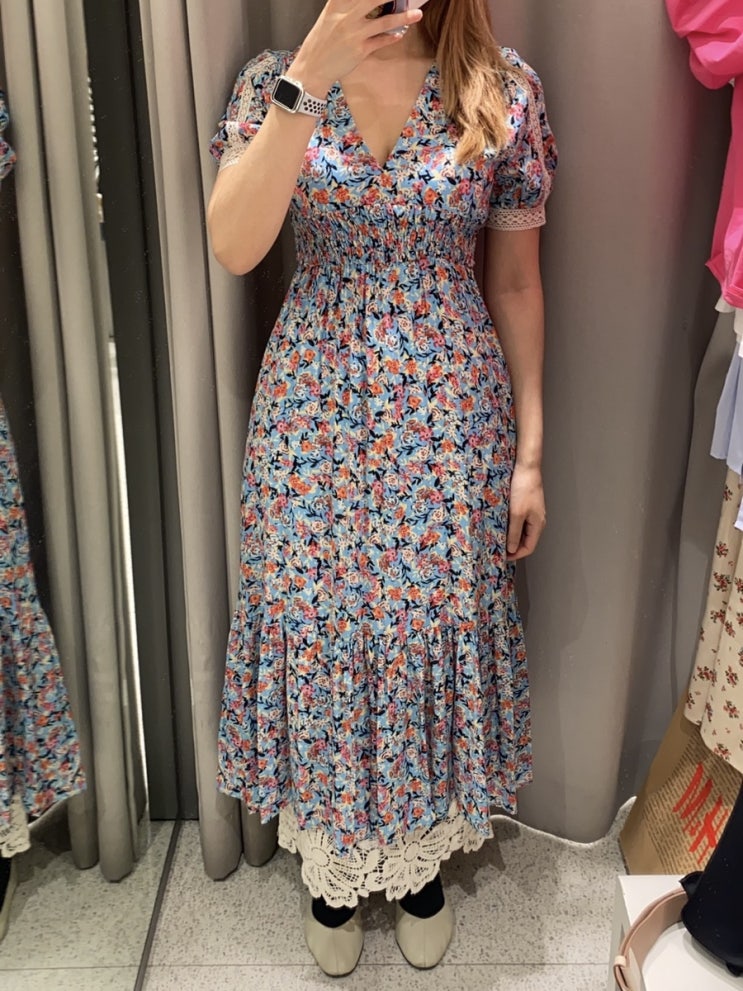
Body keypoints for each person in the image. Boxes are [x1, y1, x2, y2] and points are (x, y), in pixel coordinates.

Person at [207, 0, 557, 976]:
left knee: (424, 628)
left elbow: (515, 283)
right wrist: (307, 75)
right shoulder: (272, 81)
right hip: (311, 414)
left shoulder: (501, 89)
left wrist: (530, 453)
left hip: (448, 419)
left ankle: (417, 866)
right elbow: (234, 246)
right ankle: (331, 866)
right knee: (321, 625)